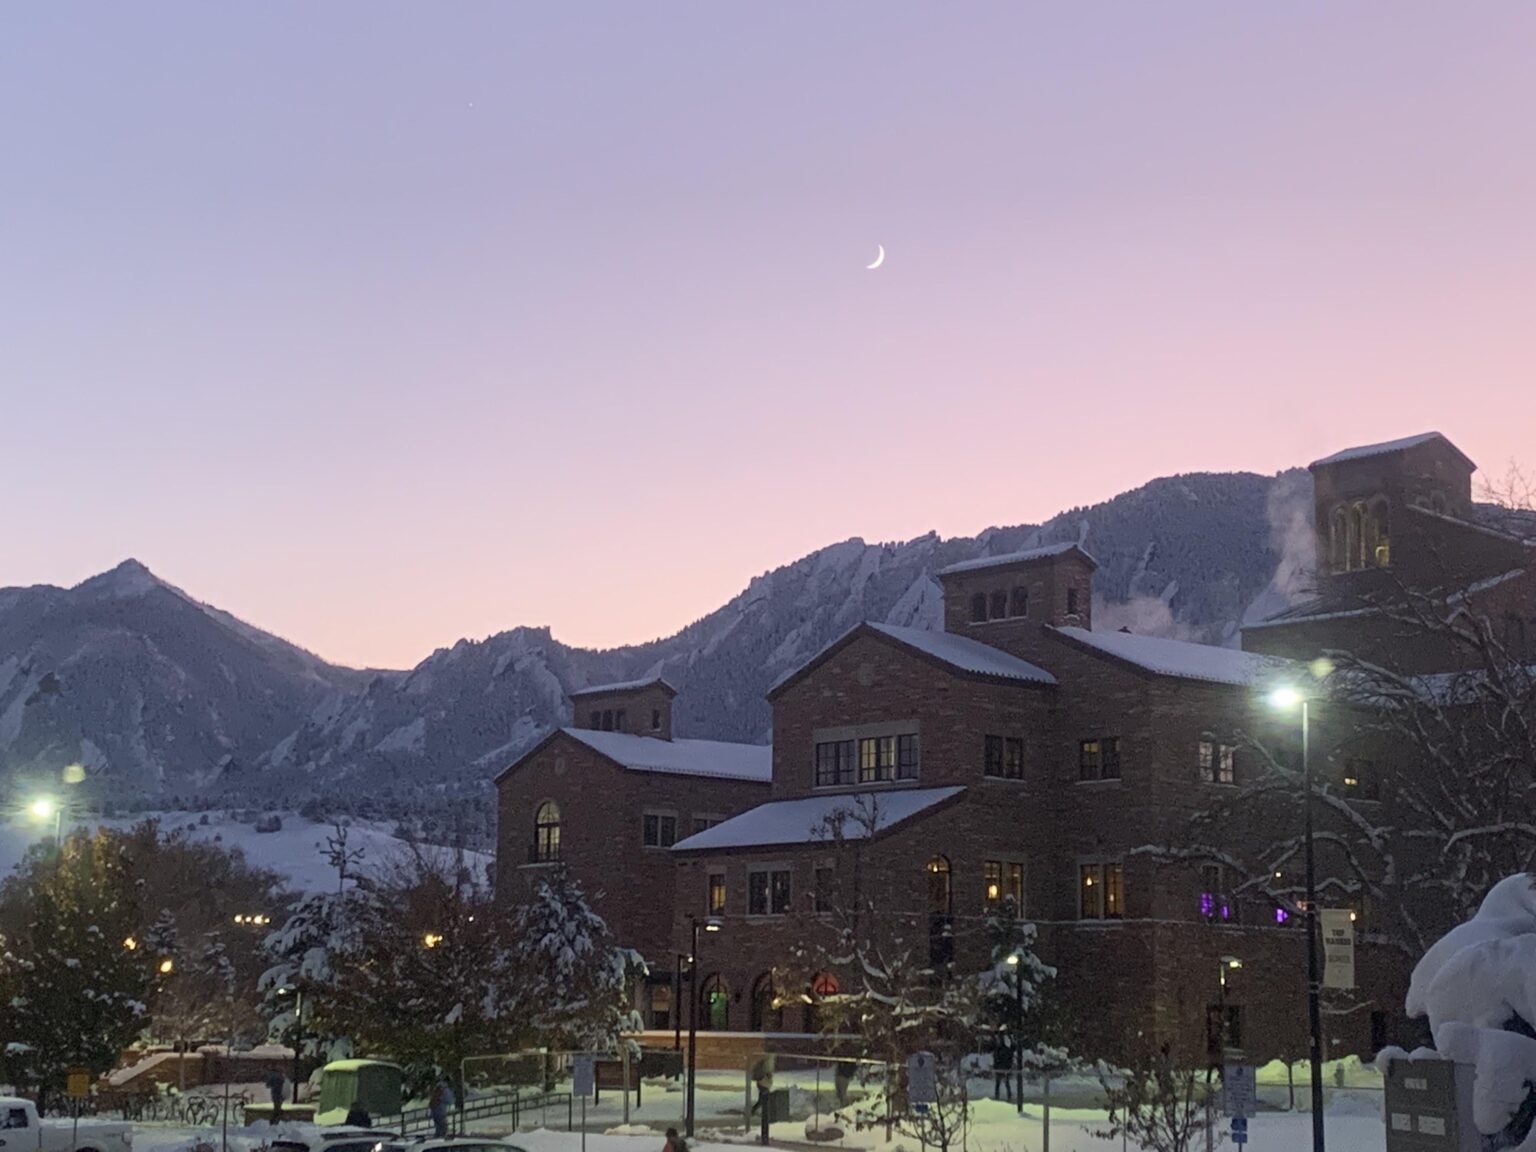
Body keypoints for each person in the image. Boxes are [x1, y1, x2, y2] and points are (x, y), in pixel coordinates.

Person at [992, 1033, 1014, 1102]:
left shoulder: (1004, 1050)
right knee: (999, 1083)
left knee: (1005, 1083)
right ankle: (998, 1096)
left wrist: (1008, 1068)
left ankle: (1008, 1096)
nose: (997, 1041)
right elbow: (995, 1059)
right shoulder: (997, 1050)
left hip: (1003, 1069)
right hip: (999, 1069)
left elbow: (1008, 1059)